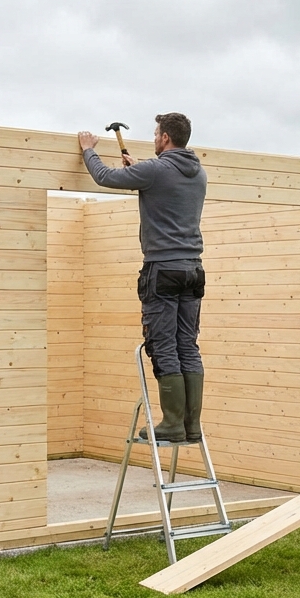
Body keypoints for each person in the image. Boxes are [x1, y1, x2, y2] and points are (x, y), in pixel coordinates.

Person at [77, 113, 207, 444]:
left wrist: (88, 149)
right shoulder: (197, 172)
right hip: (192, 269)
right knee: (186, 345)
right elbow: (162, 184)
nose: (154, 138)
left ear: (165, 138)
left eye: (156, 134)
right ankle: (191, 426)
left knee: (162, 344)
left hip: (162, 271)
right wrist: (138, 169)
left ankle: (172, 425)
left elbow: (104, 177)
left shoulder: (155, 170)